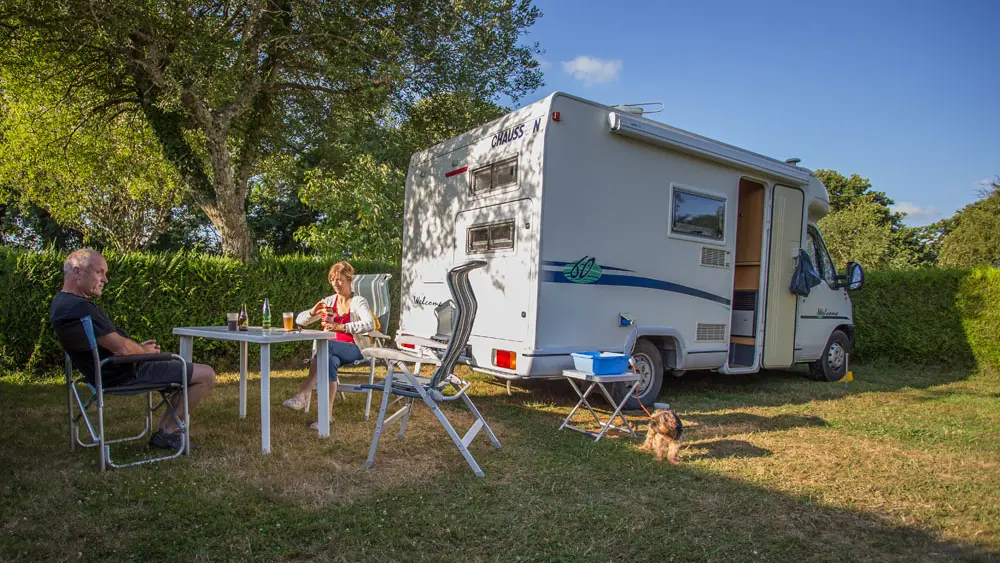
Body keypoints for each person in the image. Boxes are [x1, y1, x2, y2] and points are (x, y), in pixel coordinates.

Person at [49, 249, 217, 450]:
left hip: (104, 372)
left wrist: (139, 348)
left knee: (178, 371)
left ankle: (169, 422)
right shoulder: (81, 308)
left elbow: (116, 345)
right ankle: (168, 432)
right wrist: (145, 352)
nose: (105, 280)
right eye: (99, 272)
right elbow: (121, 349)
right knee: (206, 374)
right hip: (124, 372)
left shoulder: (61, 304)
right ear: (77, 272)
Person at [282, 261, 374, 429]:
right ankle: (327, 417)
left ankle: (304, 393)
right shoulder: (329, 302)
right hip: (332, 350)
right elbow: (299, 320)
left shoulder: (358, 301)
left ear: (349, 280)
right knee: (329, 360)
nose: (336, 283)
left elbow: (369, 324)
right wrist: (312, 311)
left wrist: (342, 327)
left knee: (325, 345)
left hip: (354, 348)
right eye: (333, 279)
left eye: (340, 280)